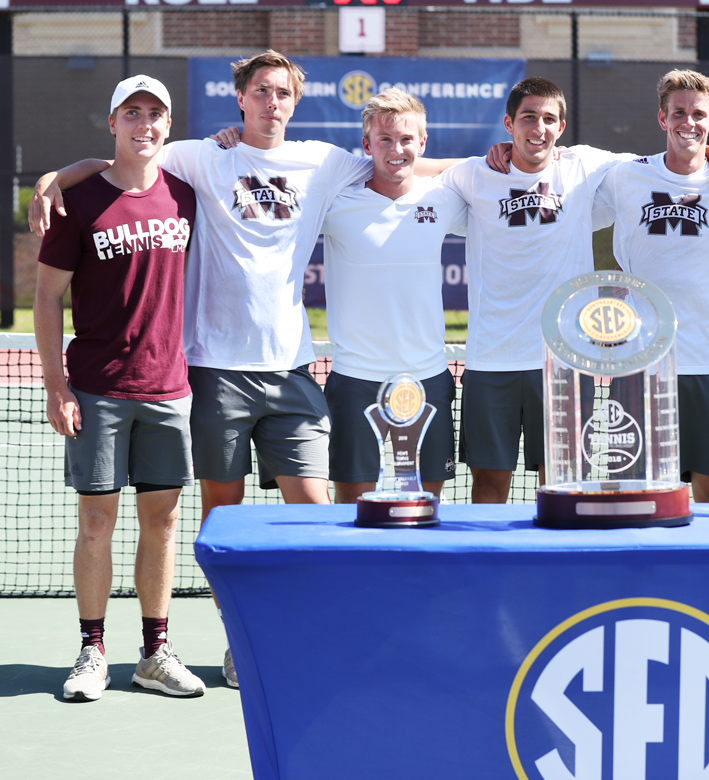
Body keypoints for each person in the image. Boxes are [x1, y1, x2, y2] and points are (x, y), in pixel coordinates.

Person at [31, 51, 451, 687]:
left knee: (312, 515)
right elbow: (123, 162)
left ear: (294, 102)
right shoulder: (203, 155)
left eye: (283, 93)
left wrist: (499, 163)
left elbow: (407, 161)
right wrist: (55, 178)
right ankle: (237, 643)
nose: (272, 103)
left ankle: (297, 634)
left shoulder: (326, 161)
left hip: (292, 372)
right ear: (241, 99)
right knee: (218, 523)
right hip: (212, 372)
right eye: (261, 92)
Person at [443, 77, 709, 504]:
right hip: (493, 358)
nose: (539, 128)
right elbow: (427, 167)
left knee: (565, 484)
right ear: (509, 124)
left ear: (562, 127)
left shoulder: (587, 166)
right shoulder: (478, 175)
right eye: (528, 118)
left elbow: (684, 154)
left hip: (565, 362)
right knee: (491, 486)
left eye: (548, 119)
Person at [35, 75, 204, 700]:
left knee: (162, 521)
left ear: (167, 125)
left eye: (156, 114)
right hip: (98, 388)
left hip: (168, 388)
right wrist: (58, 386)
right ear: (113, 123)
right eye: (132, 113)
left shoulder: (185, 195)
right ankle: (92, 652)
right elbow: (48, 299)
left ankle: (155, 653)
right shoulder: (75, 204)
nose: (145, 124)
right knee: (96, 522)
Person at [593, 70, 709, 503]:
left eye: (699, 114)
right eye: (678, 113)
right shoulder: (625, 175)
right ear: (662, 119)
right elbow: (556, 163)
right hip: (640, 364)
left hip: (707, 365)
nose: (689, 122)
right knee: (640, 493)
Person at [320, 88, 466, 502]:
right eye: (384, 139)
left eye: (406, 139)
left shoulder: (443, 198)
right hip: (355, 380)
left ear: (423, 143)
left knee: (424, 509)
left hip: (428, 378)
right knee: (352, 514)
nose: (396, 149)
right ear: (366, 145)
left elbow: (484, 172)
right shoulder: (335, 201)